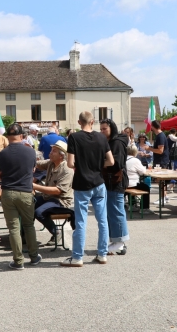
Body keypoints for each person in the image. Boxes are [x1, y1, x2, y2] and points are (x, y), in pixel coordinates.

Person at [61, 111, 114, 267]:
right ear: (93, 121)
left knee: (81, 221)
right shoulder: (101, 137)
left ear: (79, 122)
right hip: (98, 182)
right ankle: (102, 254)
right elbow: (110, 161)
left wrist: (83, 166)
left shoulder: (74, 137)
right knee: (102, 220)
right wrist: (97, 165)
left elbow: (70, 164)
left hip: (82, 182)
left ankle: (77, 257)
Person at [0, 123, 42, 270]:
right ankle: (34, 257)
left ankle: (18, 261)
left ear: (8, 137)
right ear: (21, 136)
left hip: (8, 192)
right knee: (28, 225)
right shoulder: (30, 152)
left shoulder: (2, 154)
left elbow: (1, 171)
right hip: (26, 191)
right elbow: (34, 169)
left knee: (13, 229)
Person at [32, 140, 74, 246]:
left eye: (54, 151)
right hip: (48, 197)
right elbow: (37, 163)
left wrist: (35, 186)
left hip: (60, 201)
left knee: (39, 212)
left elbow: (58, 191)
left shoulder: (67, 170)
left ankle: (56, 232)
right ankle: (26, 235)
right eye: (51, 150)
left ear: (61, 156)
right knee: (28, 205)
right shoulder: (51, 163)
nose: (50, 153)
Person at [100, 118, 130, 255]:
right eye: (101, 129)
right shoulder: (109, 141)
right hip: (110, 181)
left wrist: (98, 163)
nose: (102, 131)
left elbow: (116, 163)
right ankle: (118, 242)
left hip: (116, 181)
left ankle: (119, 241)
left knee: (117, 211)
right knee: (112, 211)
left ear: (111, 128)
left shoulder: (116, 142)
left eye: (104, 129)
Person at [145, 120, 170, 202]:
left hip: (161, 161)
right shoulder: (160, 136)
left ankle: (162, 198)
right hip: (161, 160)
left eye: (151, 126)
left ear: (153, 126)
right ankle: (164, 197)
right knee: (161, 181)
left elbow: (160, 151)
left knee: (160, 180)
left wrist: (149, 148)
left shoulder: (160, 136)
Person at [126, 145, 150, 211]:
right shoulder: (135, 160)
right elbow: (143, 172)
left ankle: (132, 205)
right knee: (146, 187)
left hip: (124, 183)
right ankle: (144, 208)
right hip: (132, 184)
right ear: (135, 152)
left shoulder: (123, 159)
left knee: (132, 184)